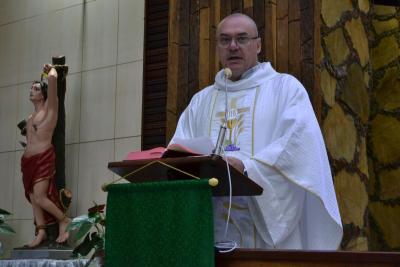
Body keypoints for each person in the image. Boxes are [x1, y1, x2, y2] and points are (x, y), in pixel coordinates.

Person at [170, 13, 343, 249]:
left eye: (242, 39)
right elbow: (178, 153)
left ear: (258, 45)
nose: (233, 46)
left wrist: (248, 168)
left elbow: (297, 146)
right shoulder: (201, 101)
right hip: (210, 231)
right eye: (224, 40)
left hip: (265, 232)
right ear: (217, 47)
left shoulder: (285, 88)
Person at [21, 64, 70, 247]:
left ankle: (63, 219)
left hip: (43, 157)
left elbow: (53, 80)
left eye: (35, 89)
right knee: (33, 197)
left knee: (41, 196)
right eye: (31, 88)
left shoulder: (50, 110)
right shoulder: (30, 117)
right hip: (28, 161)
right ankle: (41, 231)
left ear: (43, 94)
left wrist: (51, 70)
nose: (32, 91)